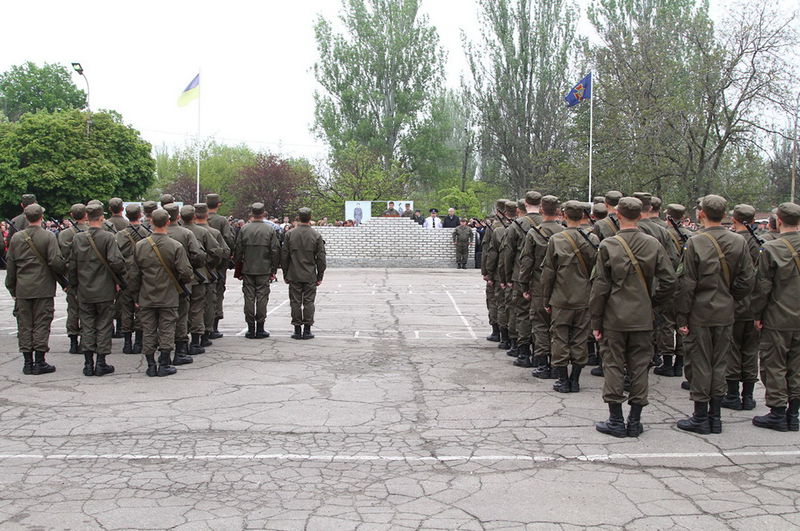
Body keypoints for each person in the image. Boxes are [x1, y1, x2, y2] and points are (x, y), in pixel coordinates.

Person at [591, 197, 677, 437]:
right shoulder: (653, 244)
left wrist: (596, 320)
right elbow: (670, 280)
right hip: (643, 316)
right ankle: (635, 421)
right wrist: (653, 302)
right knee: (640, 367)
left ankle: (616, 420)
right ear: (641, 215)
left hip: (614, 317)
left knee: (613, 365)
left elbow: (600, 287)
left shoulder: (608, 245)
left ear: (618, 215)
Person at [676, 195, 755, 435]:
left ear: (701, 214)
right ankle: (716, 417)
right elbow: (747, 279)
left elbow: (686, 284)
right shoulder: (739, 242)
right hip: (725, 311)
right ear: (725, 215)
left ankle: (701, 416)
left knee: (700, 363)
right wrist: (730, 297)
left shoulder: (695, 242)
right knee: (720, 363)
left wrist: (682, 318)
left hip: (700, 312)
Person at [751, 202, 800, 431]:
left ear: (778, 221)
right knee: (797, 366)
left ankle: (778, 412)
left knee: (775, 364)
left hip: (778, 316)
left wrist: (757, 314)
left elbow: (763, 288)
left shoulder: (772, 248)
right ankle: (794, 413)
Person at [541, 200, 600, 393]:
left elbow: (548, 273)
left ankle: (563, 380)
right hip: (584, 298)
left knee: (559, 338)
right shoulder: (593, 239)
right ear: (583, 216)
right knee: (580, 338)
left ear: (564, 215)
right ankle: (575, 380)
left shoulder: (557, 240)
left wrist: (545, 298)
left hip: (561, 297)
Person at [129, 209, 194, 377]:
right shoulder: (175, 246)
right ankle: (164, 363)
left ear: (151, 222)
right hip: (169, 295)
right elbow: (186, 272)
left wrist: (136, 296)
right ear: (168, 222)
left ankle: (151, 365)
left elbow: (134, 275)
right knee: (167, 328)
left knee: (148, 329)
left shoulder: (140, 245)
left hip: (146, 294)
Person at [5, 203, 66, 375]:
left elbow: (11, 265)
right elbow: (55, 261)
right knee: (41, 323)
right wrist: (64, 272)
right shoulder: (48, 236)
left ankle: (27, 362)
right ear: (41, 217)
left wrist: (11, 287)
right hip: (43, 287)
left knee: (24, 325)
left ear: (25, 217)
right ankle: (39, 361)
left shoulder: (16, 238)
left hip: (22, 287)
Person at [68, 203, 126, 377]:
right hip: (104, 290)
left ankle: (87, 364)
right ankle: (101, 362)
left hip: (84, 289)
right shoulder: (108, 237)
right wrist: (121, 278)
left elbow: (72, 265)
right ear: (101, 218)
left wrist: (73, 286)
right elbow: (116, 262)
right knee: (103, 325)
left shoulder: (78, 238)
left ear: (87, 217)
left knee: (87, 325)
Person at [721, 204, 761, 411]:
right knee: (750, 351)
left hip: (737, 303)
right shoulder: (761, 242)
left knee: (733, 349)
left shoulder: (733, 242)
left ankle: (733, 394)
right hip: (755, 305)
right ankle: (748, 396)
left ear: (734, 219)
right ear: (753, 221)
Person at [519, 195, 564, 377]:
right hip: (561, 286)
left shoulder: (534, 233)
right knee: (557, 327)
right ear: (559, 211)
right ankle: (556, 365)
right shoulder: (564, 232)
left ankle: (542, 364)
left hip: (538, 285)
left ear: (542, 210)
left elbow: (526, 261)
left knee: (540, 325)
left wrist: (523, 285)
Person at [163, 203, 205, 360]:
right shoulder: (186, 234)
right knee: (182, 314)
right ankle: (181, 349)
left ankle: (163, 350)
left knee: (162, 316)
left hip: (159, 282)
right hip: (182, 280)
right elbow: (199, 256)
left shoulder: (149, 235)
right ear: (177, 216)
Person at [234, 202, 281, 339]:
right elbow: (275, 251)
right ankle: (260, 327)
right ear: (263, 213)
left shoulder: (244, 229)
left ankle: (250, 328)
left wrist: (239, 268)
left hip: (248, 268)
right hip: (264, 269)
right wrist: (273, 270)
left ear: (251, 213)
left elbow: (238, 250)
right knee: (262, 298)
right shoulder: (269, 230)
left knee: (249, 298)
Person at [181, 204, 223, 350]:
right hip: (199, 275)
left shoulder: (171, 232)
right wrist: (209, 266)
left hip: (179, 277)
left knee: (182, 309)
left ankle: (181, 341)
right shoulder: (203, 232)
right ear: (193, 217)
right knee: (198, 308)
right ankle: (197, 341)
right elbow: (217, 251)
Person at [281, 207, 327, 339]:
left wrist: (285, 273)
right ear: (310, 217)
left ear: (298, 218)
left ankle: (297, 329)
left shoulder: (290, 234)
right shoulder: (316, 235)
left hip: (294, 273)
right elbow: (321, 258)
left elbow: (284, 256)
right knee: (309, 302)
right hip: (310, 274)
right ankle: (307, 329)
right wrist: (320, 276)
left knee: (295, 302)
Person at [196, 203, 230, 341]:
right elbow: (224, 250)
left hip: (188, 275)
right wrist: (215, 265)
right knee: (211, 301)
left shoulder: (184, 230)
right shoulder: (215, 229)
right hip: (210, 272)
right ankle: (208, 332)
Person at [115, 204, 147, 354]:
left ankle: (127, 343)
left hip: (125, 275)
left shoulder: (120, 235)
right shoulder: (147, 233)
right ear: (140, 215)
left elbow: (115, 258)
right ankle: (139, 343)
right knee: (140, 308)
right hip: (141, 275)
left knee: (126, 309)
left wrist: (117, 279)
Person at [58, 204, 88, 354]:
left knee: (72, 309)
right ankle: (85, 339)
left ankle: (73, 342)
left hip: (70, 273)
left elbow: (60, 258)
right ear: (86, 215)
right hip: (88, 274)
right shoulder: (91, 232)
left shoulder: (64, 234)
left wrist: (63, 279)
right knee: (87, 310)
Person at [206, 194, 235, 338]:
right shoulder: (222, 220)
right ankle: (213, 327)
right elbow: (228, 238)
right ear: (219, 204)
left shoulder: (199, 218)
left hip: (202, 262)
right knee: (218, 292)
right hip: (218, 261)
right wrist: (230, 253)